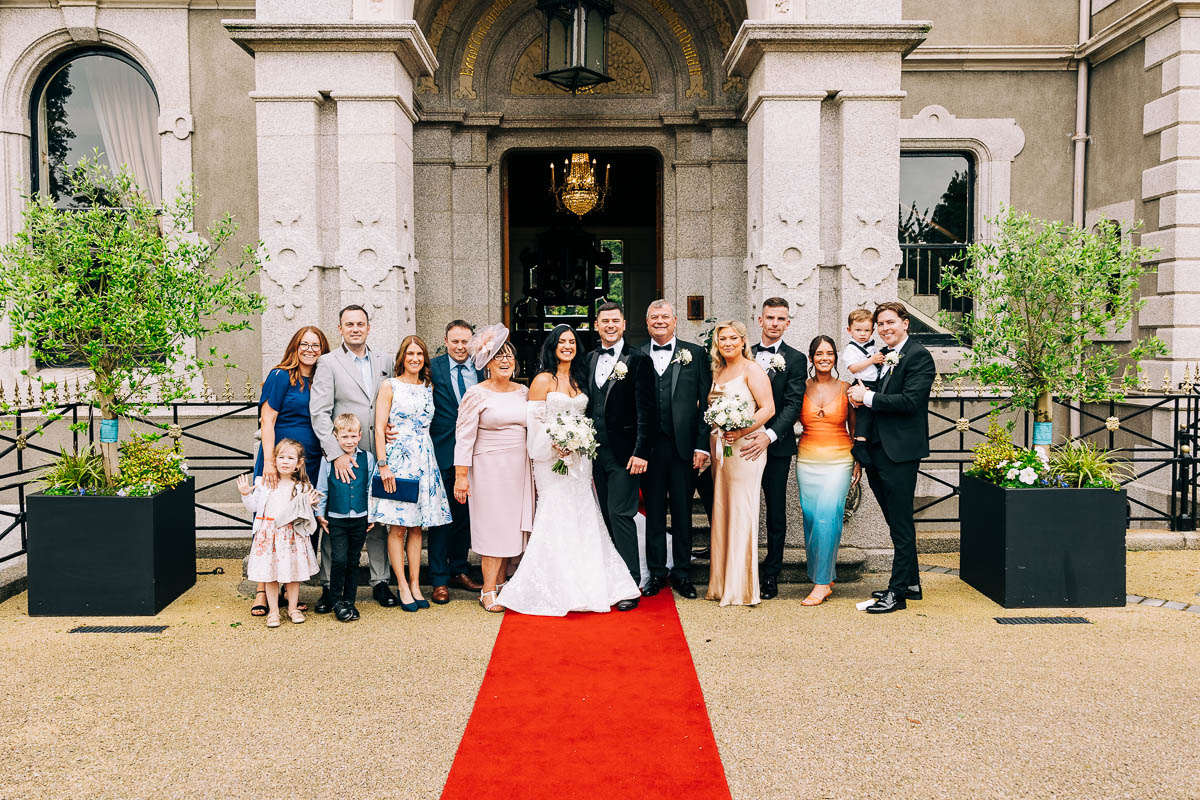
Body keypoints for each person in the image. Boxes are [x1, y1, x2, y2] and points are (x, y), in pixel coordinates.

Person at [498, 325, 641, 616]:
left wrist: (579, 442)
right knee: (556, 513)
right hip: (550, 461)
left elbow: (586, 418)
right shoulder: (542, 380)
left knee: (584, 513)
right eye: (561, 341)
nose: (567, 346)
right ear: (552, 346)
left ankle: (588, 582)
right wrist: (554, 445)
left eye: (572, 342)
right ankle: (557, 586)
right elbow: (534, 423)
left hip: (580, 459)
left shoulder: (580, 378)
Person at [847, 301, 936, 614]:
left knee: (900, 524)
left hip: (900, 454)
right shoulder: (884, 358)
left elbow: (910, 402)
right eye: (880, 324)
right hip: (878, 451)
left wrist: (866, 397)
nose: (884, 329)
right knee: (894, 521)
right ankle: (910, 582)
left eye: (889, 323)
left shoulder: (919, 356)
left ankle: (896, 594)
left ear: (905, 323)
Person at [310, 305, 398, 612]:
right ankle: (328, 587)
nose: (356, 328)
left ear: (369, 327)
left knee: (375, 518)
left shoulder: (386, 360)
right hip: (343, 453)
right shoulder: (328, 362)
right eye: (349, 324)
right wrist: (335, 455)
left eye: (360, 323)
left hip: (378, 452)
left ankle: (380, 581)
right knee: (336, 521)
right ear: (340, 329)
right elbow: (319, 411)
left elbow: (395, 399)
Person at [248, 325, 329, 617]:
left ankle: (290, 586)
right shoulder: (280, 376)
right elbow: (267, 421)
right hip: (279, 461)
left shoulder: (322, 378)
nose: (310, 350)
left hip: (310, 463)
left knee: (302, 520)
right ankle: (262, 590)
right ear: (295, 346)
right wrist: (269, 461)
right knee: (268, 521)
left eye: (316, 345)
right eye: (305, 344)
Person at [452, 328, 535, 612]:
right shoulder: (476, 394)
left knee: (511, 529)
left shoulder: (523, 391)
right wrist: (461, 476)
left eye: (509, 356)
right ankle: (487, 590)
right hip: (487, 469)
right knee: (492, 528)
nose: (504, 361)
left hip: (518, 469)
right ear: (487, 363)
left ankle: (501, 585)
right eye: (498, 356)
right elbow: (463, 437)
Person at [371, 335, 453, 612]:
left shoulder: (428, 387)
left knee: (418, 526)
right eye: (410, 354)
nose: (415, 358)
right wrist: (383, 465)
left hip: (424, 459)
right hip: (397, 460)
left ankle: (416, 584)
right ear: (402, 358)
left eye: (420, 354)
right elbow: (379, 427)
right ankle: (402, 585)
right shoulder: (390, 386)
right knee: (398, 526)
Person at [585, 303, 655, 610]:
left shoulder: (639, 360)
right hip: (592, 454)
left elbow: (648, 411)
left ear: (624, 324)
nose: (610, 325)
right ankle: (611, 578)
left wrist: (641, 452)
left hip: (625, 454)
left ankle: (630, 584)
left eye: (616, 320)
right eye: (605, 321)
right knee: (604, 518)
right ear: (597, 325)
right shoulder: (588, 359)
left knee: (621, 514)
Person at [639, 299, 711, 600]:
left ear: (675, 320)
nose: (659, 320)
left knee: (682, 513)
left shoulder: (695, 354)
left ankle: (682, 572)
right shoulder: (636, 355)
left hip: (684, 448)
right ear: (646, 323)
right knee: (654, 513)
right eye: (653, 316)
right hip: (649, 450)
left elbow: (707, 403)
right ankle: (656, 573)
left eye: (664, 316)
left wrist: (701, 446)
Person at [738, 298, 807, 600]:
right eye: (770, 318)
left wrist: (769, 435)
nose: (775, 323)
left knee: (776, 510)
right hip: (741, 445)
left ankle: (771, 573)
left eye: (781, 318)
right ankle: (741, 567)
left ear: (788, 323)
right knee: (743, 507)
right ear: (760, 320)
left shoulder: (795, 358)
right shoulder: (744, 354)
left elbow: (793, 405)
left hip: (776, 447)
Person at [705, 320, 774, 607]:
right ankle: (722, 584)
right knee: (722, 511)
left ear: (743, 341)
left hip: (745, 450)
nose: (728, 343)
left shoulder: (752, 369)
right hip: (721, 450)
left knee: (742, 512)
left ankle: (742, 588)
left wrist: (742, 430)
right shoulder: (717, 370)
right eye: (723, 339)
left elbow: (768, 408)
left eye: (733, 338)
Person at [796, 335, 860, 606]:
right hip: (807, 460)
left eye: (830, 353)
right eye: (819, 353)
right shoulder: (799, 387)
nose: (825, 358)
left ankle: (821, 583)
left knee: (828, 518)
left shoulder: (848, 388)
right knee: (811, 518)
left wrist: (859, 461)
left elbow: (856, 430)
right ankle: (824, 574)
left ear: (835, 357)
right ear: (811, 358)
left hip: (839, 460)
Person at [428, 320, 486, 604]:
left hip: (475, 453)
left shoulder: (482, 366)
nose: (461, 347)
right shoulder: (432, 367)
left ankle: (459, 569)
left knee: (463, 516)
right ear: (446, 340)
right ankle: (438, 579)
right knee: (441, 518)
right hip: (442, 450)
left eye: (466, 342)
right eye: (456, 342)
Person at [239, 439, 321, 628]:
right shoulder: (265, 483)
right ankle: (274, 611)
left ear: (299, 463)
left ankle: (293, 608)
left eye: (290, 457)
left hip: (292, 536)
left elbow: (305, 515)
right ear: (274, 460)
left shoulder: (302, 486)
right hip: (269, 535)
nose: (285, 461)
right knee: (271, 574)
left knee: (293, 574)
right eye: (281, 457)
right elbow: (254, 507)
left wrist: (308, 505)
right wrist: (245, 494)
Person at [314, 413, 377, 622]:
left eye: (353, 436)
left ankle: (349, 601)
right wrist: (319, 514)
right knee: (338, 559)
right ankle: (336, 599)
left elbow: (370, 488)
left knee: (353, 560)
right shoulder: (328, 460)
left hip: (359, 517)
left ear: (359, 436)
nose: (349, 441)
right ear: (336, 437)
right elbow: (322, 488)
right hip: (336, 518)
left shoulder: (367, 458)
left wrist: (372, 514)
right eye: (344, 437)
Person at [842, 308, 883, 465]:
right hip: (862, 384)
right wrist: (871, 360)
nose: (862, 334)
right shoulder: (851, 349)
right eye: (858, 330)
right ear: (849, 330)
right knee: (864, 414)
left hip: (875, 384)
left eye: (866, 330)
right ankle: (859, 443)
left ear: (872, 331)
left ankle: (869, 442)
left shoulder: (872, 346)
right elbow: (853, 368)